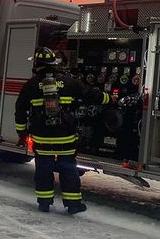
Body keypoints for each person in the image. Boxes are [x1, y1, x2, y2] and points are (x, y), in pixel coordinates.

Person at [14, 47, 115, 214]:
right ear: (54, 63)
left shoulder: (31, 85)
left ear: (37, 64)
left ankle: (44, 203)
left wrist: (21, 133)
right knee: (68, 168)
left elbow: (20, 110)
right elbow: (91, 95)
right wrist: (109, 98)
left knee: (43, 169)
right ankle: (73, 204)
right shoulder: (69, 82)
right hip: (66, 137)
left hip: (42, 138)